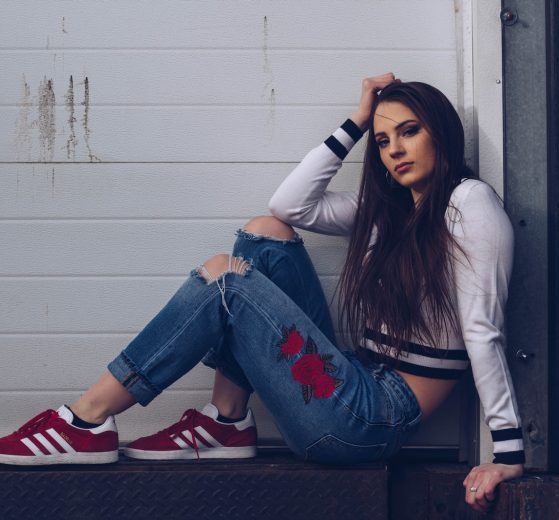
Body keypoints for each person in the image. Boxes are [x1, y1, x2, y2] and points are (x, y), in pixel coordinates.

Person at [0, 73, 523, 514]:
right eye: (384, 142)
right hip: (356, 378)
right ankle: (227, 421)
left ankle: (87, 418)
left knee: (228, 278)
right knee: (265, 233)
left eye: (410, 132)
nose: (395, 151)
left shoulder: (468, 204)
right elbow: (291, 205)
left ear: (443, 134)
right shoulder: (391, 214)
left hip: (370, 421)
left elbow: (484, 332)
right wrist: (358, 122)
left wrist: (508, 451)